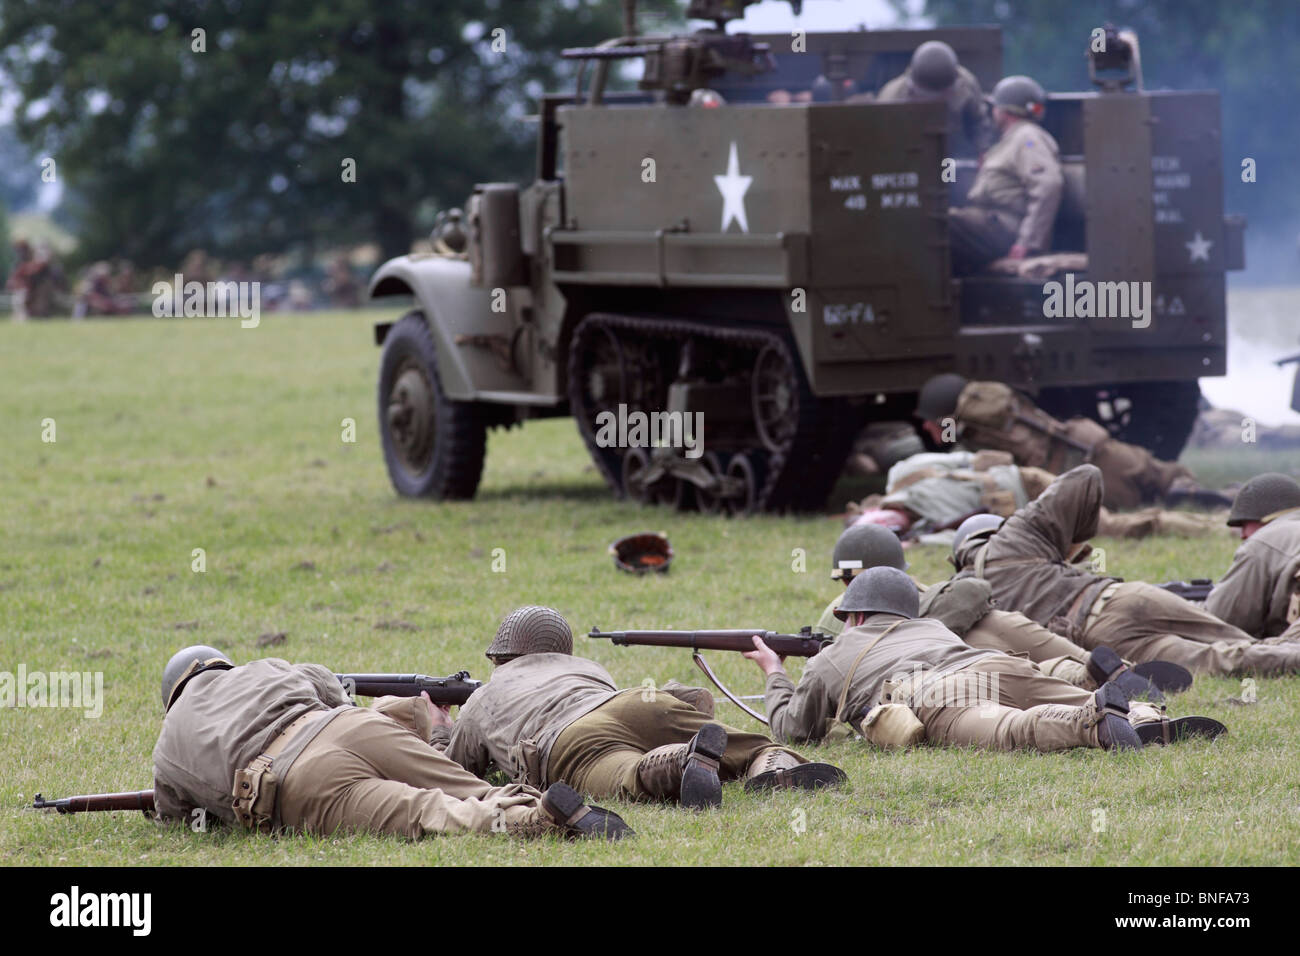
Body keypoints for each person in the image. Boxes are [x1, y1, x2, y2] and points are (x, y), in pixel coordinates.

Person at [152, 645, 631, 841]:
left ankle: (534, 820)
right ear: (218, 665)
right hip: (348, 725)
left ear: (173, 697)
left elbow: (175, 808)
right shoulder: (259, 667)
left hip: (298, 781)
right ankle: (544, 801)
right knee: (465, 784)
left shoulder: (167, 747)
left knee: (424, 810)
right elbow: (326, 684)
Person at [747, 567, 1224, 752]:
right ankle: (1146, 716)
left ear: (853, 616)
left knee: (1011, 730)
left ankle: (1091, 725)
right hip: (1000, 664)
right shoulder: (930, 625)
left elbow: (794, 731)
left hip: (940, 694)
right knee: (1079, 690)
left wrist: (774, 672)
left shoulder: (836, 654)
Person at [439, 606, 847, 808]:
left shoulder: (481, 698)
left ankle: (683, 761)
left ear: (499, 657)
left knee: (628, 772)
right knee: (751, 745)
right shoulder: (587, 667)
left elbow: (451, 773)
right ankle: (773, 765)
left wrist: (439, 723)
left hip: (569, 741)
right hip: (631, 701)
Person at [950, 465, 1300, 677]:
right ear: (993, 531)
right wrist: (1066, 549)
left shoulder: (960, 598)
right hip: (1121, 598)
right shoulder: (1015, 536)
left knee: (1222, 659)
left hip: (1105, 643)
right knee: (1239, 639)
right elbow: (1086, 476)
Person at [813, 522, 1182, 700]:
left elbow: (833, 670)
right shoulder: (918, 588)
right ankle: (1113, 672)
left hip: (957, 654)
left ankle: (1086, 681)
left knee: (1024, 674)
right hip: (1001, 621)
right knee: (1070, 660)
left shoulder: (840, 612)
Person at [914, 373, 1219, 511]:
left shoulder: (975, 444)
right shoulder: (997, 410)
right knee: (1163, 477)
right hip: (1088, 444)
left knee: (1149, 498)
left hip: (1085, 471)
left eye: (930, 424)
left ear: (947, 421)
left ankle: (1218, 502)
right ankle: (1218, 497)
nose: (927, 430)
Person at [948, 75, 1062, 274]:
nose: (993, 112)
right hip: (993, 224)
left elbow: (1048, 185)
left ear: (1006, 111)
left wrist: (1028, 242)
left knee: (938, 223)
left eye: (995, 106)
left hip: (1004, 228)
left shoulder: (1028, 137)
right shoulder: (1012, 139)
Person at [1206, 473, 1300, 640]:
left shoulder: (1266, 540)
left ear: (1268, 517)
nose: (1242, 535)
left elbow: (1218, 623)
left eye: (1244, 523)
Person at [877, 40, 993, 157]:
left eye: (943, 94)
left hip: (954, 148)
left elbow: (978, 121)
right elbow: (882, 139)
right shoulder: (892, 97)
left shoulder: (967, 84)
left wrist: (982, 150)